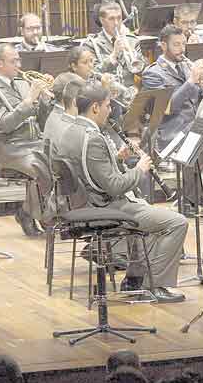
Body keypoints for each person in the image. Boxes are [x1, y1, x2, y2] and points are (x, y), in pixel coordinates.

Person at [57, 83, 188, 302]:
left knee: (148, 214)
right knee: (176, 222)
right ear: (95, 107)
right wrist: (139, 170)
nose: (111, 110)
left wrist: (116, 159)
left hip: (83, 203)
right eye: (108, 105)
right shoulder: (93, 137)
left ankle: (134, 280)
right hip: (103, 207)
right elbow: (115, 186)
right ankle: (153, 286)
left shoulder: (70, 131)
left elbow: (89, 170)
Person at [0, 43, 54, 236]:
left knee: (64, 161)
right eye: (14, 60)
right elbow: (2, 125)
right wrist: (29, 100)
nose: (19, 64)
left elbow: (42, 121)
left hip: (35, 144)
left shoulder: (22, 83)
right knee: (41, 168)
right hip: (9, 149)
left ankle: (28, 211)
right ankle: (46, 217)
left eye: (19, 59)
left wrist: (44, 99)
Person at [140, 25, 203, 151]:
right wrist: (191, 80)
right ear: (164, 46)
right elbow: (166, 107)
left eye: (184, 44)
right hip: (172, 137)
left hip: (194, 132)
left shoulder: (186, 67)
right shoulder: (152, 74)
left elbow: (197, 99)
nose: (182, 49)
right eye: (176, 45)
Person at [87, 3, 145, 96]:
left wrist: (132, 52)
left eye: (119, 18)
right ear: (102, 20)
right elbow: (92, 74)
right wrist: (113, 55)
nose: (116, 23)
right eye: (111, 19)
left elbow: (142, 71)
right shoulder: (92, 44)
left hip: (130, 94)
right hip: (105, 95)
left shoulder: (132, 40)